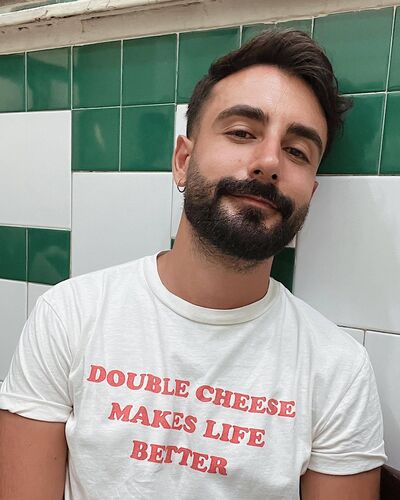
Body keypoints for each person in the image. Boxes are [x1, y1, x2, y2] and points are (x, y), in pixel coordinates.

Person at [0, 29, 386, 500]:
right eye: (242, 132)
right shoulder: (70, 317)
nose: (269, 162)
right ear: (183, 160)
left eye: (297, 152)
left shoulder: (338, 371)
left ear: (311, 192)